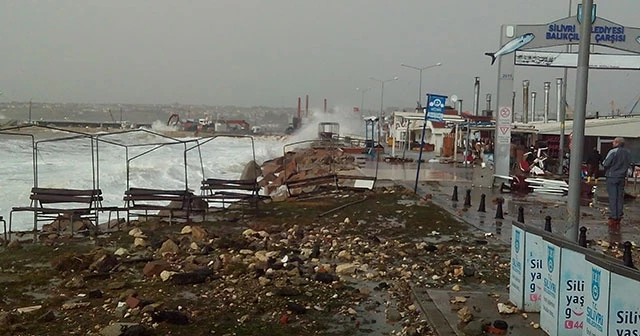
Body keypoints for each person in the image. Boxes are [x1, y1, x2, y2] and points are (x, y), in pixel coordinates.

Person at [602, 137, 631, 230]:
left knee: (613, 197)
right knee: (620, 197)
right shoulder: (627, 153)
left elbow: (606, 163)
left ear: (618, 143)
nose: (612, 143)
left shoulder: (613, 152)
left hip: (612, 176)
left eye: (614, 142)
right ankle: (619, 215)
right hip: (622, 176)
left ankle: (613, 216)